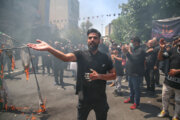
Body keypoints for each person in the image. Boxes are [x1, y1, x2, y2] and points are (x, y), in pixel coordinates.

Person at [27, 28, 116, 120]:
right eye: (90, 38)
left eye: (95, 38)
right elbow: (65, 57)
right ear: (87, 40)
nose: (92, 40)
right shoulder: (80, 54)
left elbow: (113, 75)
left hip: (100, 100)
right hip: (84, 99)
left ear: (99, 41)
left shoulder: (105, 57)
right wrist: (49, 48)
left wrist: (99, 76)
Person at [157, 37, 180, 120]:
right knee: (164, 97)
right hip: (168, 81)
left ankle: (176, 115)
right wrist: (162, 49)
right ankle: (165, 111)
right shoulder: (173, 50)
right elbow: (160, 58)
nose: (178, 40)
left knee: (178, 101)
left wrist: (177, 71)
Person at [122, 36, 147, 110]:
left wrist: (127, 52)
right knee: (131, 88)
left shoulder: (141, 50)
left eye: (132, 42)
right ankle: (131, 98)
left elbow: (134, 60)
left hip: (136, 74)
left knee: (136, 89)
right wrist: (126, 52)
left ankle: (136, 103)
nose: (131, 43)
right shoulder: (133, 49)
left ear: (136, 42)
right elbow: (128, 57)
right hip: (130, 73)